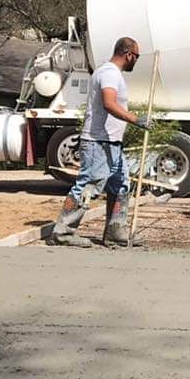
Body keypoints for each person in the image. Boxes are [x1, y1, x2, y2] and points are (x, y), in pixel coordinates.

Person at [53, 36, 149, 247]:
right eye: (137, 56)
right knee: (89, 186)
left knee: (121, 185)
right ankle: (63, 232)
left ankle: (115, 232)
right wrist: (135, 119)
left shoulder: (112, 74)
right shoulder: (109, 74)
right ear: (129, 54)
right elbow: (108, 103)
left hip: (111, 142)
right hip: (98, 142)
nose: (136, 61)